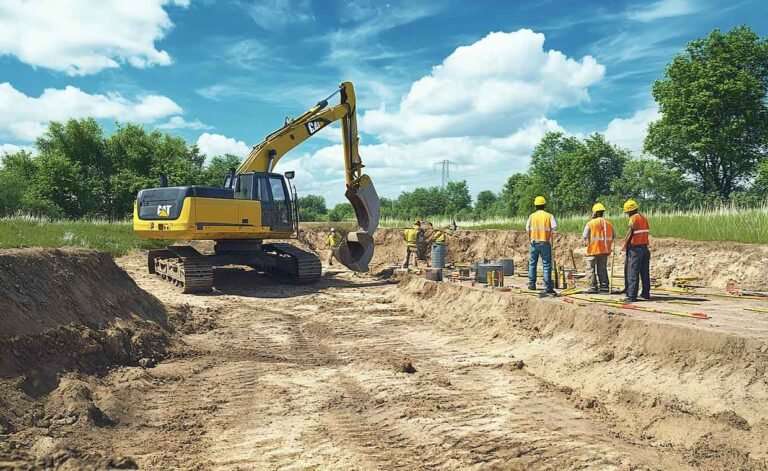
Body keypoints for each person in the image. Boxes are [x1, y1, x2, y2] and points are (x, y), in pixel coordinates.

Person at [526, 196, 557, 295]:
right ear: (544, 205)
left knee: (532, 263)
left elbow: (527, 228)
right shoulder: (549, 216)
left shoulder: (532, 216)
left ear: (535, 205)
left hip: (534, 243)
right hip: (545, 242)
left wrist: (531, 237)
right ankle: (548, 286)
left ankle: (531, 284)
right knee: (547, 265)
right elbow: (555, 228)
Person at [622, 199, 651, 302]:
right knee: (644, 272)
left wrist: (625, 244)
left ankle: (631, 296)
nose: (626, 214)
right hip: (644, 248)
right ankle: (646, 293)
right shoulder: (644, 218)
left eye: (627, 212)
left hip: (635, 249)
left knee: (632, 272)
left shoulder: (633, 219)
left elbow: (630, 232)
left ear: (630, 211)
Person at [582, 203, 615, 294]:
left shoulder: (590, 223)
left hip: (593, 250)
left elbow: (584, 235)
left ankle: (593, 287)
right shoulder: (609, 224)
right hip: (604, 250)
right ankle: (604, 287)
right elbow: (613, 236)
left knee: (590, 269)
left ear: (595, 213)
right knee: (602, 268)